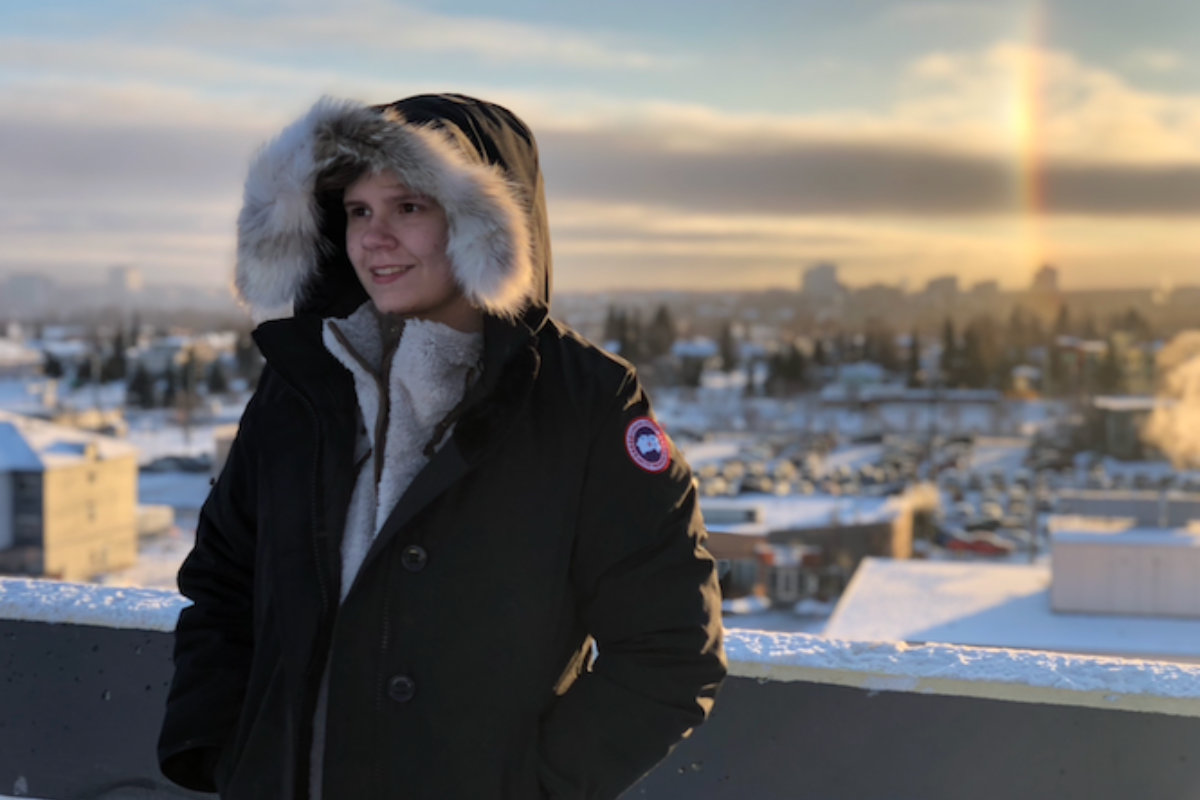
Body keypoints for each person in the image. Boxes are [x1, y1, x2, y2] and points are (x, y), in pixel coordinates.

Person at [157, 94, 727, 800]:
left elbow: (670, 649)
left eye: (409, 208)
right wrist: (225, 752)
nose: (374, 238)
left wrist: (529, 789)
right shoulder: (303, 383)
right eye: (358, 211)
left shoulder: (582, 402)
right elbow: (222, 583)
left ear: (485, 225)